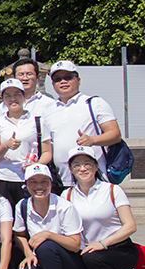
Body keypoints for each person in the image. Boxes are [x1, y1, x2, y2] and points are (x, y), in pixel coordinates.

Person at [64, 147, 139, 269]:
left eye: (87, 164)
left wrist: (103, 243)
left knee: (93, 257)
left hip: (118, 249)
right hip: (88, 253)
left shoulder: (112, 190)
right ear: (70, 169)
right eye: (77, 165)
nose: (82, 168)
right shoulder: (67, 195)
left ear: (96, 166)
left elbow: (130, 226)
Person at [13, 163, 85, 269]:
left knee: (46, 246)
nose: (39, 186)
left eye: (44, 181)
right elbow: (19, 235)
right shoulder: (22, 206)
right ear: (26, 185)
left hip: (68, 261)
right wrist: (28, 253)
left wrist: (49, 235)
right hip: (40, 259)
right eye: (33, 182)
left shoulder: (64, 207)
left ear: (51, 184)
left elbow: (75, 245)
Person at [44, 60, 122, 189]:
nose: (63, 81)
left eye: (68, 77)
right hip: (61, 181)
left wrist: (93, 140)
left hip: (93, 179)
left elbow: (115, 134)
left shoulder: (94, 103)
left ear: (78, 80)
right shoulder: (48, 110)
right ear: (53, 84)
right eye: (58, 79)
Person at [0, 78, 53, 209]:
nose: (13, 99)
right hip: (3, 177)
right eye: (8, 96)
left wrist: (36, 165)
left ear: (24, 96)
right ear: (3, 99)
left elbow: (47, 152)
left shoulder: (38, 121)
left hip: (29, 178)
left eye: (17, 94)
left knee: (27, 214)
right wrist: (6, 145)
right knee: (4, 215)